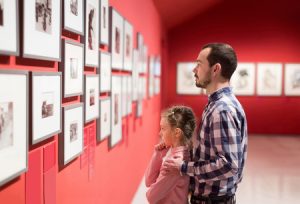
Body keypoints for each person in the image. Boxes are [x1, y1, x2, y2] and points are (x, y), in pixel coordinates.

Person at [164, 43, 248, 204]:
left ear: (215, 69)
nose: (194, 70)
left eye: (199, 64)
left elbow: (229, 165)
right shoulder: (217, 104)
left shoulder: (222, 109)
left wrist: (183, 167)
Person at [145, 106, 196, 204]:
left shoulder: (172, 164)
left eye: (163, 129)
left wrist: (157, 155)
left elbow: (150, 196)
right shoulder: (186, 152)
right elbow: (150, 181)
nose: (160, 133)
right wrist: (158, 154)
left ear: (177, 132)